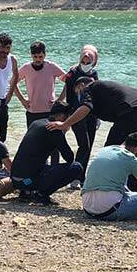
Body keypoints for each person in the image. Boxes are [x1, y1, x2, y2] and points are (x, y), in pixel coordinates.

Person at [10, 104, 84, 204]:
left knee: (38, 165)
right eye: (68, 118)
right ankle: (41, 194)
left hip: (16, 179)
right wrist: (63, 131)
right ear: (61, 116)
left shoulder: (36, 123)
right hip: (28, 181)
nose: (69, 122)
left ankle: (26, 193)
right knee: (77, 167)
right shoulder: (54, 130)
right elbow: (69, 158)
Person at [81, 133, 137, 221]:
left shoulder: (103, 150)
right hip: (109, 211)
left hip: (88, 208)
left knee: (125, 192)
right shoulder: (130, 157)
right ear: (135, 149)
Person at [58, 45, 100, 176]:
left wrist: (98, 116)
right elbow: (67, 91)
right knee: (84, 145)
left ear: (94, 61)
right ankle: (73, 173)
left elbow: (97, 95)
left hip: (91, 114)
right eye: (83, 61)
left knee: (89, 146)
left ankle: (81, 175)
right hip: (76, 113)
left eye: (89, 62)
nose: (86, 64)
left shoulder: (94, 74)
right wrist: (61, 106)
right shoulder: (73, 73)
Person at [13, 41, 65, 127]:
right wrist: (22, 100)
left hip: (49, 111)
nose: (38, 59)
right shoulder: (26, 68)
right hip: (32, 111)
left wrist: (60, 100)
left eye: (40, 57)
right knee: (33, 139)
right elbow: (13, 83)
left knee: (49, 139)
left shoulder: (51, 67)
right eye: (35, 57)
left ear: (45, 55)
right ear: (31, 55)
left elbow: (69, 81)